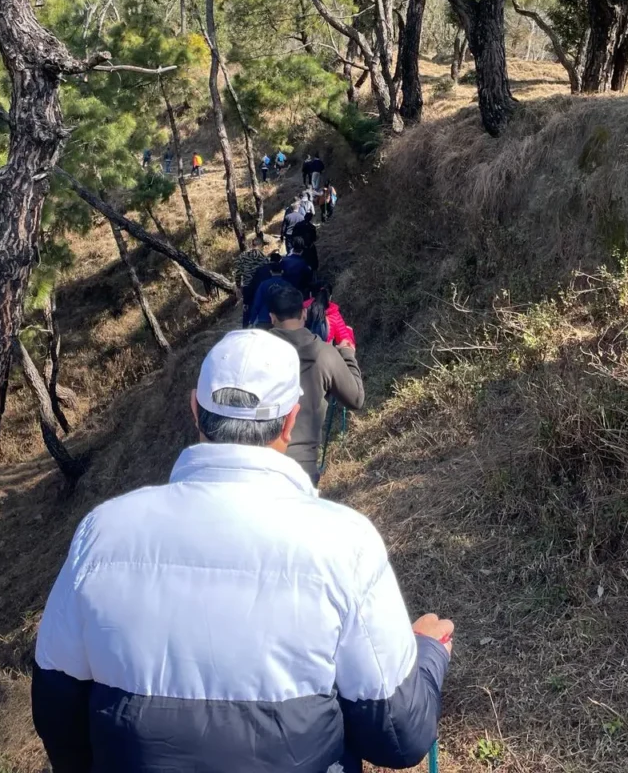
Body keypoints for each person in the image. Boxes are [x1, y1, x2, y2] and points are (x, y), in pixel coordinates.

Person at [32, 328, 452, 773]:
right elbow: (398, 737)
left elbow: (57, 713)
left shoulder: (101, 533)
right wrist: (427, 652)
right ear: (291, 420)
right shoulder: (346, 542)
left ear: (195, 408)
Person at [268, 282, 364, 483]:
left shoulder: (254, 352)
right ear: (304, 313)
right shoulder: (324, 353)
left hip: (259, 464)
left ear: (272, 317)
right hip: (302, 469)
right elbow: (356, 399)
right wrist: (348, 355)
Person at [305, 281, 355, 347]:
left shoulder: (300, 311)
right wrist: (349, 331)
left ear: (310, 294)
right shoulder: (333, 314)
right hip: (323, 354)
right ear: (330, 297)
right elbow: (346, 342)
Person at [233, 237, 268, 328]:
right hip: (259, 287)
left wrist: (238, 286)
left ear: (252, 245)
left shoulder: (243, 256)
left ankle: (245, 327)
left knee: (247, 309)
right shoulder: (264, 258)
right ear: (261, 246)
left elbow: (238, 272)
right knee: (259, 307)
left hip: (247, 286)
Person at [248, 254, 288, 327]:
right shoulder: (287, 285)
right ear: (282, 272)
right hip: (281, 321)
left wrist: (251, 320)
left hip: (264, 319)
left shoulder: (263, 284)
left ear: (270, 272)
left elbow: (257, 303)